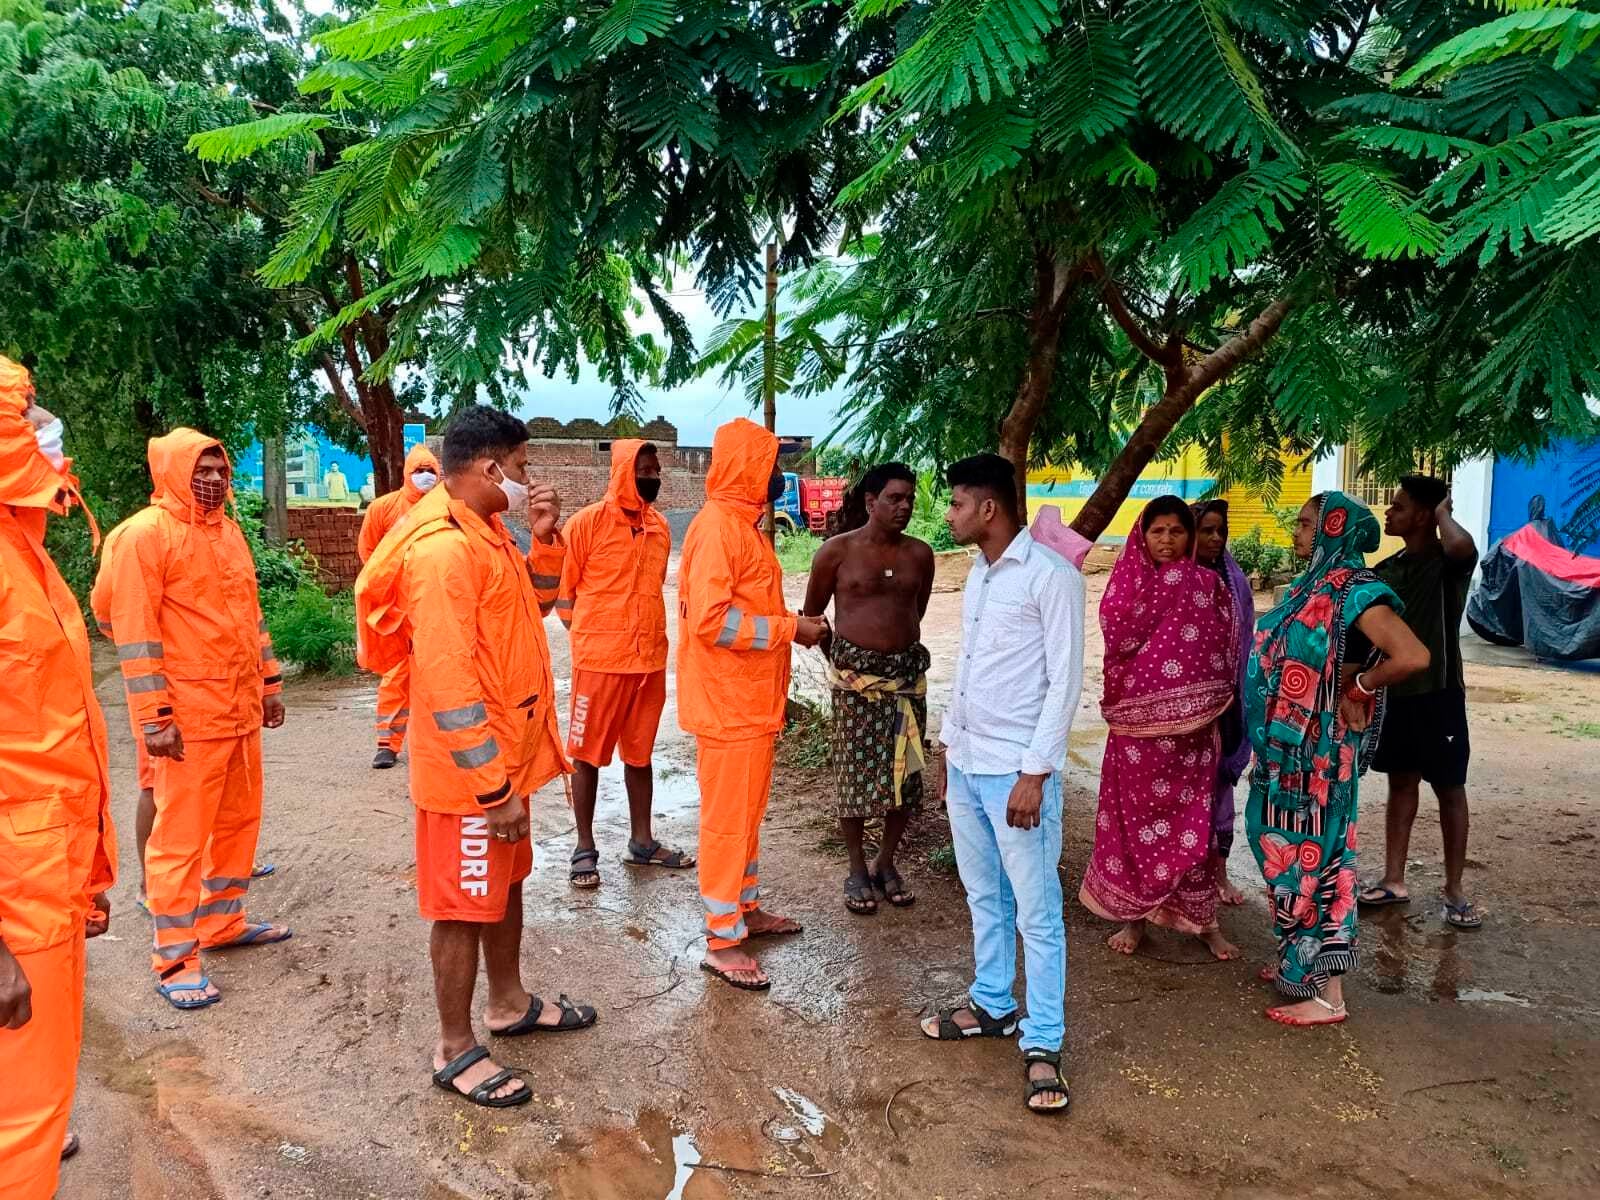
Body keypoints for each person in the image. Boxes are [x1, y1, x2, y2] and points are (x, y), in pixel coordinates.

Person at [355, 406, 596, 1109]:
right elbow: (451, 685)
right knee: (462, 907)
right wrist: (494, 790)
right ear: (492, 469)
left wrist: (545, 542)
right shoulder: (442, 552)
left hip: (502, 763)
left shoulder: (486, 534)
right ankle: (455, 1046)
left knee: (505, 885)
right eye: (523, 468)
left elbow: (539, 607)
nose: (528, 481)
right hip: (470, 779)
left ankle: (508, 1001)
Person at [93, 429, 291, 1011]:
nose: (212, 479)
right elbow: (129, 630)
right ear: (171, 473)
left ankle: (222, 924)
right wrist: (155, 717)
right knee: (179, 841)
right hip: (188, 720)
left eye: (219, 470)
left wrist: (270, 684)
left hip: (238, 711)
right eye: (200, 469)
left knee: (237, 825)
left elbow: (250, 617)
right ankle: (175, 957)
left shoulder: (228, 533)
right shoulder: (143, 537)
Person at [919, 453, 1083, 1116]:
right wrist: (947, 754)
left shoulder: (1051, 576)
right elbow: (969, 674)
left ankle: (1043, 1045)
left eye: (957, 503)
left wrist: (1034, 774)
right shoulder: (982, 576)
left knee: (1038, 913)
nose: (950, 514)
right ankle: (993, 1004)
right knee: (983, 896)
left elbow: (1064, 683)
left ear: (988, 508)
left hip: (1016, 774)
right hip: (967, 766)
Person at [0, 357, 117, 1199]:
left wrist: (89, 876)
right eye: (27, 409)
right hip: (13, 905)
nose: (46, 426)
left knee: (34, 1107)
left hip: (45, 881)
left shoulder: (23, 554)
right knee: (21, 1121)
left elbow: (52, 734)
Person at [1246, 492, 1430, 1028]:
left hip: (1322, 756)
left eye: (1306, 524)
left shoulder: (1357, 592)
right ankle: (1299, 961)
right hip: (1287, 754)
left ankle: (1329, 995)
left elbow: (1414, 655)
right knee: (1277, 840)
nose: (1297, 533)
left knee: (1318, 856)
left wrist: (1362, 686)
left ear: (1334, 529)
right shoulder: (1312, 586)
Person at [678, 418, 827, 991]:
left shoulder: (745, 526)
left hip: (748, 705)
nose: (779, 475)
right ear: (748, 468)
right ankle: (722, 938)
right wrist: (792, 629)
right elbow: (713, 622)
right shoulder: (719, 529)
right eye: (770, 464)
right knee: (725, 825)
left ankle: (745, 908)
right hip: (727, 707)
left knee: (745, 820)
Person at [1080, 496, 1243, 962]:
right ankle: (1134, 919)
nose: (1168, 540)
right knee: (1135, 827)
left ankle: (1203, 922)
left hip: (1194, 736)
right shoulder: (1125, 586)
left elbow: (1225, 647)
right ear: (1142, 535)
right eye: (1158, 531)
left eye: (1177, 531)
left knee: (1194, 829)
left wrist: (1204, 703)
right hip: (1136, 738)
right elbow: (1118, 643)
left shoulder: (1208, 584)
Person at [555, 439, 692, 887]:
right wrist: (596, 637)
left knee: (640, 754)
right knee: (585, 756)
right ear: (622, 472)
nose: (653, 478)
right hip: (598, 662)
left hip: (649, 661)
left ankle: (642, 842)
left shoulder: (660, 528)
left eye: (656, 471)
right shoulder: (586, 525)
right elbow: (564, 595)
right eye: (645, 470)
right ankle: (584, 847)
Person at [802, 462, 934, 915]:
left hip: (906, 685)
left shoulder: (920, 554)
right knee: (855, 780)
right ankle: (857, 868)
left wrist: (892, 666)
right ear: (870, 502)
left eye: (910, 499)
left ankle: (886, 862)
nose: (904, 507)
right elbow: (814, 620)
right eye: (895, 498)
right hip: (854, 688)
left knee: (905, 779)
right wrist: (846, 669)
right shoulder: (834, 553)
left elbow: (916, 611)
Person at [1362, 476, 1483, 929]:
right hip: (1398, 696)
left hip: (1442, 696)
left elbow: (1462, 547)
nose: (1389, 513)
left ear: (1423, 515)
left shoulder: (1447, 565)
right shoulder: (1387, 571)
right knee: (1401, 784)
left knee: (1450, 789)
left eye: (1398, 506)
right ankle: (1394, 879)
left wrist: (1443, 514)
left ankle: (1454, 889)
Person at [357, 442, 444, 769]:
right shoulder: (383, 508)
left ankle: (440, 742)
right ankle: (387, 744)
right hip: (395, 608)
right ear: (407, 474)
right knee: (395, 675)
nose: (424, 477)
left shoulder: (448, 508)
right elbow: (369, 555)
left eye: (430, 471)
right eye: (419, 471)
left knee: (440, 673)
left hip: (435, 605)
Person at [1192, 499, 1254, 907]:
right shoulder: (1176, 578)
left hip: (1227, 702)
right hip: (1186, 708)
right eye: (1206, 530)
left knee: (1219, 790)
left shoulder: (1234, 582)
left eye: (1221, 531)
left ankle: (1219, 875)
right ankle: (1179, 881)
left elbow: (1247, 639)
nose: (1215, 538)